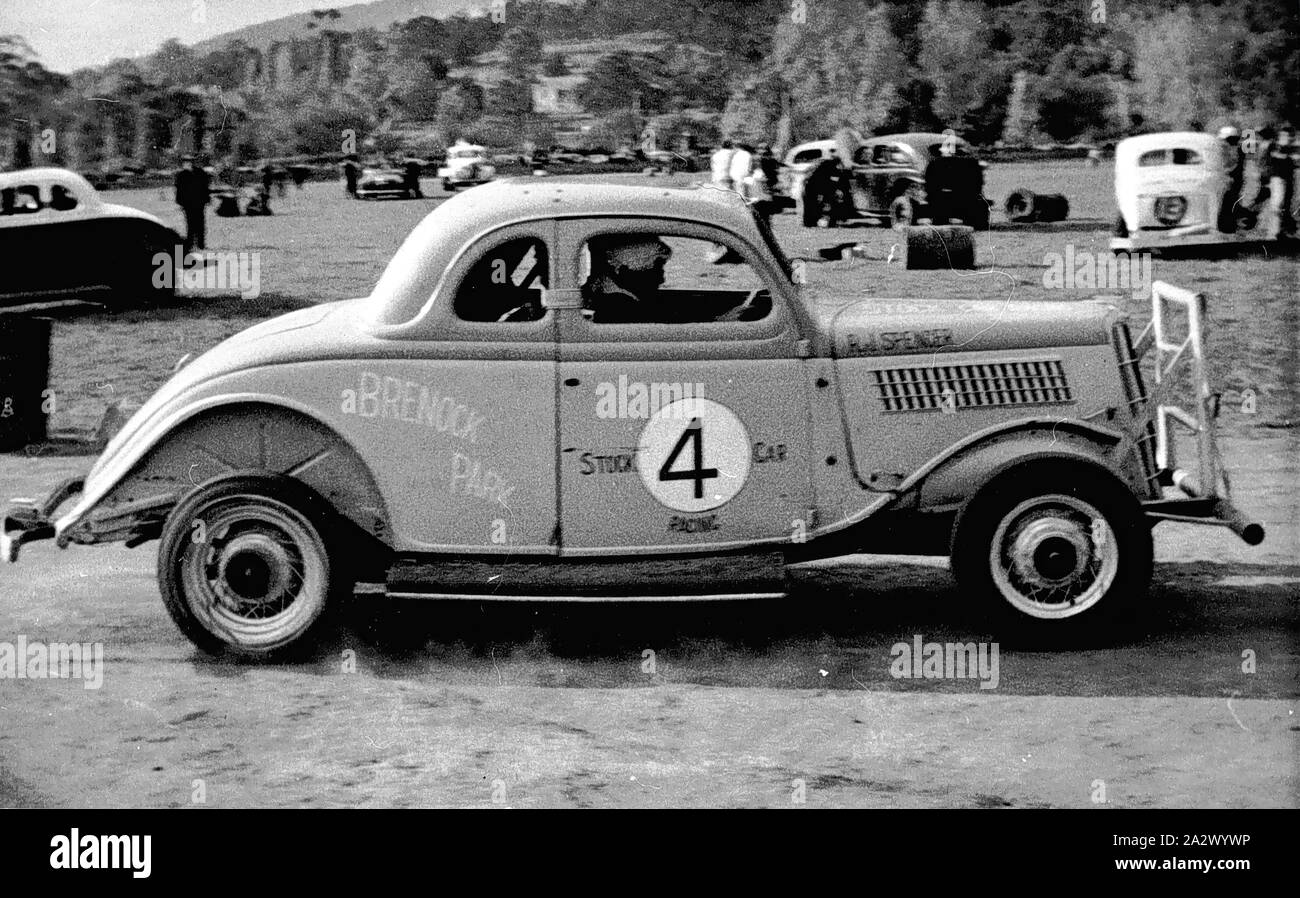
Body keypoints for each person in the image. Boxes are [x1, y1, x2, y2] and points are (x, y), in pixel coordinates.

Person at [581, 236, 673, 323]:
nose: (662, 280)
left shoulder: (604, 295)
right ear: (624, 271)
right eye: (654, 271)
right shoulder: (621, 308)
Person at [174, 154, 210, 254]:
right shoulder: (181, 175)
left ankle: (200, 243)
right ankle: (191, 243)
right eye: (185, 162)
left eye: (188, 161)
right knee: (190, 223)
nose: (187, 163)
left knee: (199, 223)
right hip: (188, 203)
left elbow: (205, 186)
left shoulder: (199, 173)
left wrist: (206, 198)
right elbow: (179, 190)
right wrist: (180, 201)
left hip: (198, 202)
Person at [1217, 125, 1245, 233]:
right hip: (1229, 180)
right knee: (1227, 204)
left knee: (1229, 204)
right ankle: (1227, 227)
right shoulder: (1228, 149)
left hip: (1232, 180)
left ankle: (1228, 227)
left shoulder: (1234, 150)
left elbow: (1233, 166)